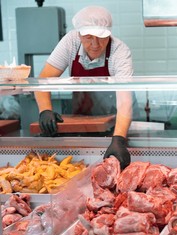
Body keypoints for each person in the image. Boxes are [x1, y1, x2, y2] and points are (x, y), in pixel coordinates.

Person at [34, 6, 135, 169]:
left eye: (101, 37)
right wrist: (45, 110)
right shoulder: (70, 42)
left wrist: (118, 139)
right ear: (79, 34)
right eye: (88, 37)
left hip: (114, 122)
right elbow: (44, 79)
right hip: (80, 117)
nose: (95, 44)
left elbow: (125, 100)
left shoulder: (119, 51)